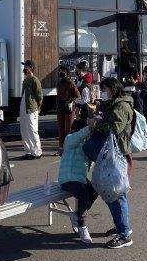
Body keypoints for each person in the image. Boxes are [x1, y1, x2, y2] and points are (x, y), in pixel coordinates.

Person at [88, 77, 134, 249]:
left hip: (118, 154)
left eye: (105, 89)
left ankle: (124, 235)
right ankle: (122, 226)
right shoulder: (116, 104)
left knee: (116, 193)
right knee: (114, 193)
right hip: (113, 154)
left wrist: (97, 124)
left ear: (112, 89)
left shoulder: (121, 106)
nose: (103, 93)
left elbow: (115, 128)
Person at [58, 119, 96, 244]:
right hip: (67, 178)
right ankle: (82, 225)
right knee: (83, 194)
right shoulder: (70, 139)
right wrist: (89, 127)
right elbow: (79, 135)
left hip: (80, 179)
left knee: (95, 190)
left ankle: (77, 215)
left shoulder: (86, 144)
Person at [20, 60, 43, 160]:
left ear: (31, 68)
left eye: (26, 67)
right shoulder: (25, 80)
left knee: (32, 129)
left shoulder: (35, 80)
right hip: (24, 107)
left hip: (31, 108)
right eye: (24, 67)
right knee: (24, 129)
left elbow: (39, 96)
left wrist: (37, 107)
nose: (24, 69)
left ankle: (37, 152)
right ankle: (28, 151)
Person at [55, 66, 80, 155]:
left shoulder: (70, 83)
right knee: (61, 128)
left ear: (67, 72)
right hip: (60, 107)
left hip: (68, 108)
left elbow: (77, 95)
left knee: (68, 129)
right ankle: (61, 148)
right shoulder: (59, 83)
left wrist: (70, 101)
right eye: (60, 71)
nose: (60, 73)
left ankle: (68, 148)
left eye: (62, 71)